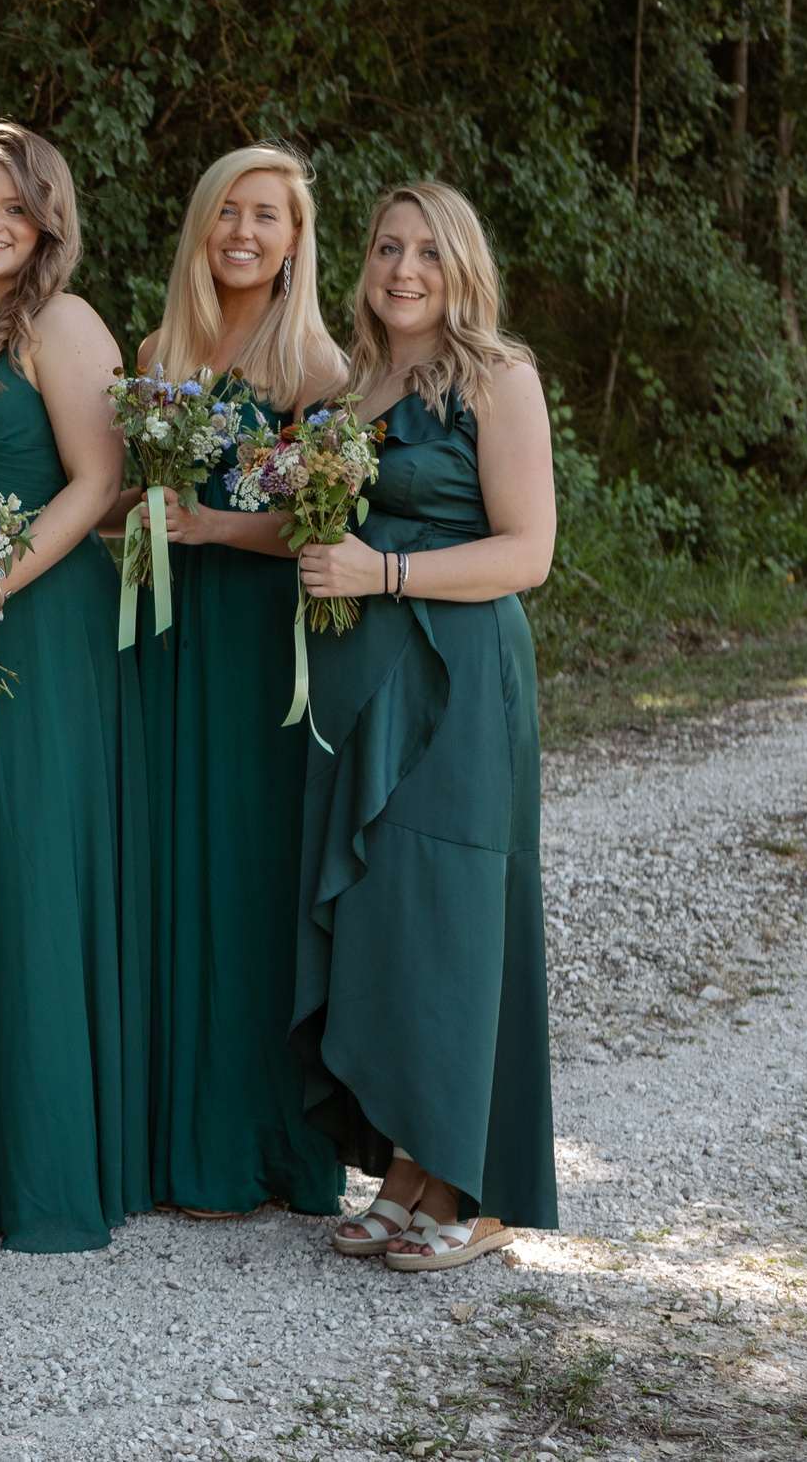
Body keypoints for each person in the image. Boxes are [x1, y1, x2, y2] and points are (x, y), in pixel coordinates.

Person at [294, 181, 557, 1269]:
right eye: (386, 249)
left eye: (427, 254)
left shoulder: (499, 381)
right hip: (366, 695)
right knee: (391, 920)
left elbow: (525, 553)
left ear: (461, 270)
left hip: (459, 683)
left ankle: (468, 1184)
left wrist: (386, 569)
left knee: (451, 917)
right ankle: (406, 1164)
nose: (403, 270)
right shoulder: (352, 389)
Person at [0, 123, 137, 1251]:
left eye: (12, 207)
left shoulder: (65, 323)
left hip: (41, 618)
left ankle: (48, 1170)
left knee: (34, 867)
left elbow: (99, 481)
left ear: (48, 217)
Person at [124, 144, 348, 1220]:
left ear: (295, 239)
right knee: (170, 870)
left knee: (248, 877)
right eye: (227, 213)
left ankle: (261, 1147)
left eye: (266, 217)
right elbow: (118, 485)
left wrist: (211, 525)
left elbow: (328, 525)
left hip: (260, 647)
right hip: (166, 641)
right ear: (201, 228)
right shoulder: (156, 348)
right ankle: (176, 1143)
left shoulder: (317, 370)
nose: (243, 234)